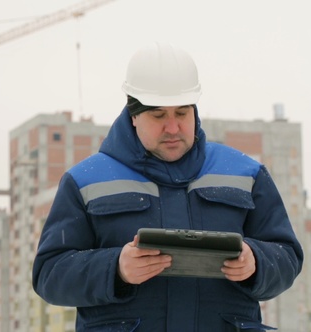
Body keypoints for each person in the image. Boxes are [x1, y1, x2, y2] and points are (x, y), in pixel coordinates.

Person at [31, 41, 304, 331]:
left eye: (182, 113)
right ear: (134, 115)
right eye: (159, 115)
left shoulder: (246, 174)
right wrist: (116, 268)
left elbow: (287, 255)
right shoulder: (85, 181)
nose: (172, 128)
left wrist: (256, 263)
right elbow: (49, 274)